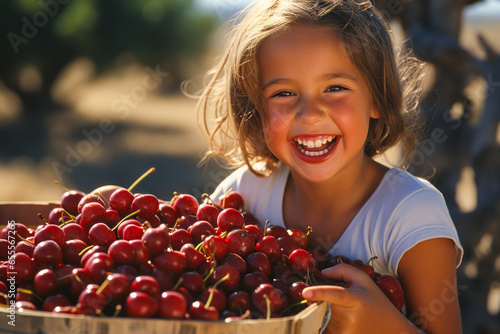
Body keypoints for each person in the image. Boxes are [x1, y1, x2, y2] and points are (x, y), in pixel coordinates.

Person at [197, 1, 464, 332]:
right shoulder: (242, 195)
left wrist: (383, 325)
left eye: (335, 88)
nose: (309, 113)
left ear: (377, 99)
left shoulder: (411, 215)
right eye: (283, 93)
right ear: (255, 110)